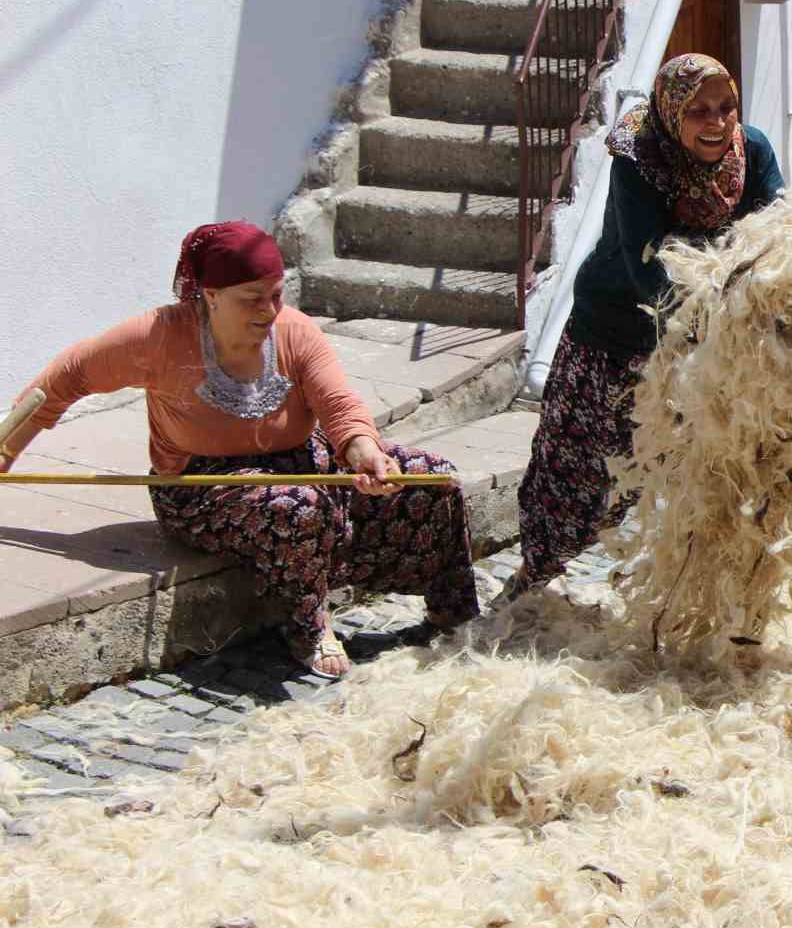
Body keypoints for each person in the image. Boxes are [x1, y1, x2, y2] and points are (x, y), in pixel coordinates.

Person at [0, 223, 478, 678]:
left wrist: (363, 451)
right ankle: (309, 625)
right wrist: (4, 453)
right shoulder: (158, 336)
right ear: (210, 295)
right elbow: (66, 377)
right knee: (298, 507)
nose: (268, 311)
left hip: (301, 463)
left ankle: (451, 609)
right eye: (252, 299)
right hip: (200, 486)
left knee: (431, 476)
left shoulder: (296, 332)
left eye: (276, 295)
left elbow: (338, 403)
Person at [509, 53, 785, 597]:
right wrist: (721, 316)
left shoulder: (751, 150)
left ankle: (703, 596)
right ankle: (534, 574)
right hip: (616, 336)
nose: (717, 122)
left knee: (709, 478)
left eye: (726, 107)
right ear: (671, 110)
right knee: (578, 474)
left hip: (707, 344)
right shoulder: (639, 159)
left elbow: (779, 230)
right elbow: (649, 268)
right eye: (699, 111)